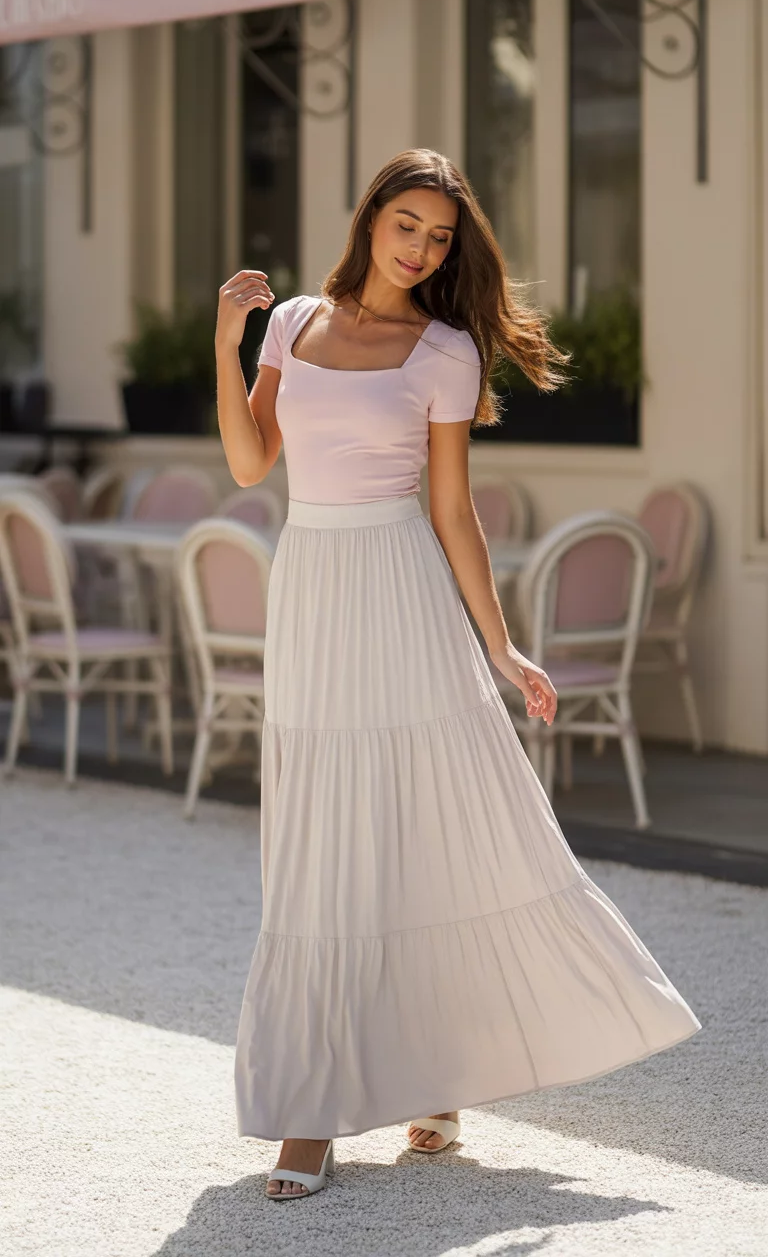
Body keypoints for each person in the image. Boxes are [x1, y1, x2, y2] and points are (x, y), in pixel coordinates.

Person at [215, 149, 701, 1201]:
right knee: (319, 836)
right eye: (408, 223)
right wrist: (229, 341)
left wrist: (501, 642)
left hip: (402, 594)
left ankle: (422, 1082)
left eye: (440, 235)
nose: (422, 246)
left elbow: (452, 513)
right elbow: (252, 465)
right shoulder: (292, 322)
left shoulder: (444, 352)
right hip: (311, 587)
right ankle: (311, 1108)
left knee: (419, 826)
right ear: (372, 217)